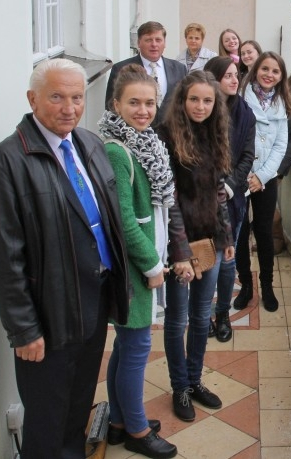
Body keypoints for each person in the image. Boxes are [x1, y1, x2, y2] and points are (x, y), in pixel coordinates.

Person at [0, 58, 129, 459]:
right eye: (57, 97)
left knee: (77, 409)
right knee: (46, 420)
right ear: (32, 99)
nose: (69, 108)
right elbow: (3, 259)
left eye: (77, 97)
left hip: (93, 304)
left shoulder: (89, 144)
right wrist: (24, 330)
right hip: (48, 318)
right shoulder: (4, 164)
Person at [97, 65, 178, 458]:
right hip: (134, 269)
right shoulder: (118, 150)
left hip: (139, 263)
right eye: (134, 102)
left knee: (127, 346)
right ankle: (137, 430)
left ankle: (117, 421)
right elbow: (124, 221)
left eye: (149, 103)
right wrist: (151, 266)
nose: (143, 110)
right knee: (136, 349)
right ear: (116, 104)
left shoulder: (144, 141)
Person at [157, 71, 236, 422]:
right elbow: (169, 201)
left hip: (212, 242)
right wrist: (180, 251)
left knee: (202, 315)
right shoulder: (166, 138)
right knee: (177, 319)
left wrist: (228, 236)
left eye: (207, 100)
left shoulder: (215, 134)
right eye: (194, 99)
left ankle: (194, 379)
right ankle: (180, 388)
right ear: (181, 100)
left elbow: (219, 192)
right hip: (181, 246)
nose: (201, 106)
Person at [204, 56, 256, 342]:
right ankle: (202, 315)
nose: (235, 80)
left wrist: (232, 186)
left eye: (236, 75)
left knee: (226, 263)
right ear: (214, 79)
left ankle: (222, 314)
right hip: (201, 200)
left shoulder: (246, 113)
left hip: (233, 202)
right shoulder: (202, 111)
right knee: (203, 261)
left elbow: (248, 154)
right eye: (228, 76)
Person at [235, 52, 290, 312]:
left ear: (281, 76)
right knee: (240, 233)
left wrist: (262, 176)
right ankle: (246, 284)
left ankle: (267, 285)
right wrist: (246, 175)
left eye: (275, 71)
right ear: (256, 69)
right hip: (241, 176)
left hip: (265, 179)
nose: (269, 74)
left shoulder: (281, 103)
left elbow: (281, 146)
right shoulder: (240, 97)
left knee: (265, 233)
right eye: (265, 69)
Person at [105, 20, 187, 125]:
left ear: (164, 43)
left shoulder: (179, 69)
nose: (154, 44)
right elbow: (111, 107)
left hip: (171, 136)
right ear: (139, 43)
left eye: (158, 40)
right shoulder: (121, 69)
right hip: (135, 135)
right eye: (148, 40)